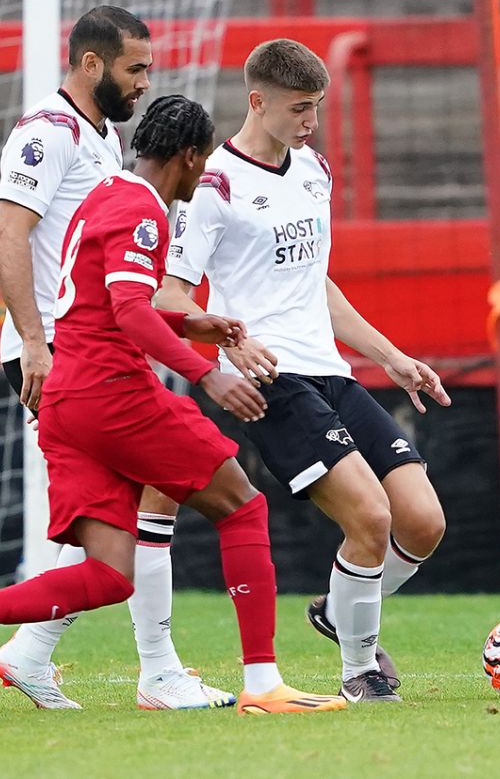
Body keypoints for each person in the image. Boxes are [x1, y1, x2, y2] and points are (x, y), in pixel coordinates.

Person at [0, 95, 346, 715]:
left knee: (110, 573)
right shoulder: (143, 211)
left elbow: (110, 303)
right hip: (112, 393)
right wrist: (208, 375)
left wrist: (194, 323)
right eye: (205, 164)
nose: (206, 177)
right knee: (242, 506)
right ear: (190, 156)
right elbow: (126, 312)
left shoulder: (107, 193)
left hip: (67, 398)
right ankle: (262, 685)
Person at [155, 40, 448, 703]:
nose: (311, 121)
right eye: (299, 108)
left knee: (423, 521)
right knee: (370, 517)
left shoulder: (315, 169)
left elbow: (319, 284)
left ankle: (338, 608)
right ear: (258, 101)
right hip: (272, 382)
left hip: (331, 372)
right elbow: (168, 295)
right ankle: (360, 669)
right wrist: (231, 338)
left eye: (317, 107)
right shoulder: (213, 186)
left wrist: (390, 356)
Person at [0, 5, 230, 710]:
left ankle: (34, 651)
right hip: (60, 350)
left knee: (120, 510)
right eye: (135, 68)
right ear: (91, 65)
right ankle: (154, 671)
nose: (145, 82)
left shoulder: (105, 139)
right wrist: (34, 340)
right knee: (142, 497)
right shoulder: (47, 133)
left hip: (99, 345)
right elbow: (8, 237)